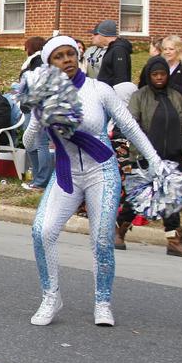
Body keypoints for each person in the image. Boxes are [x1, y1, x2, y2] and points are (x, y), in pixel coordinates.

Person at [26, 36, 164, 327]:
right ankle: (51, 297)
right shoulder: (45, 96)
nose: (67, 61)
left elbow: (129, 126)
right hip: (66, 175)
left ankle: (102, 301)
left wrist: (155, 160)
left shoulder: (98, 90)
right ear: (49, 64)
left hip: (101, 172)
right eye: (59, 57)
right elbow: (29, 142)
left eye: (71, 54)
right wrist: (38, 116)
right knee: (42, 231)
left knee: (102, 239)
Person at [115, 57, 182, 257]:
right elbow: (131, 126)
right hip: (146, 158)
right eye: (155, 74)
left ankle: (174, 240)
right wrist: (140, 151)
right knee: (138, 198)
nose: (159, 78)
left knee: (171, 198)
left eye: (163, 74)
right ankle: (119, 230)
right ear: (149, 75)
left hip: (171, 157)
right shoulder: (140, 97)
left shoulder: (176, 97)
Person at [20, 37, 51, 190]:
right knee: (31, 144)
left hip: (37, 109)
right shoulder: (34, 61)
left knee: (40, 144)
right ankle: (38, 177)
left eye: (26, 47)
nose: (25, 50)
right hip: (29, 108)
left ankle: (41, 180)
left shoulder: (38, 60)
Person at [137, 35, 182, 111]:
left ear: (178, 50)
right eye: (165, 49)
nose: (167, 52)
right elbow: (143, 85)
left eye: (171, 49)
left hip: (179, 109)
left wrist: (166, 82)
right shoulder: (158, 64)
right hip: (157, 107)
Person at [91, 20, 132, 87]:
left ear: (102, 34)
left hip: (113, 94)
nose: (92, 36)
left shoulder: (119, 50)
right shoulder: (112, 48)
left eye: (96, 34)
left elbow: (121, 78)